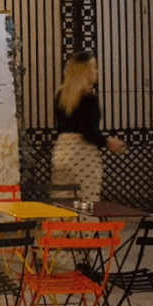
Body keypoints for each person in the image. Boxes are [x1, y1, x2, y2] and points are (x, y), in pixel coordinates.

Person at [52, 50, 126, 202]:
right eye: (93, 68)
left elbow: (61, 128)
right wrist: (108, 142)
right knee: (86, 203)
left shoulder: (60, 95)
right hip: (83, 156)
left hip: (62, 153)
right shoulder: (88, 98)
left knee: (63, 204)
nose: (96, 72)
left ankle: (62, 226)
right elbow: (89, 132)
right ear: (85, 71)